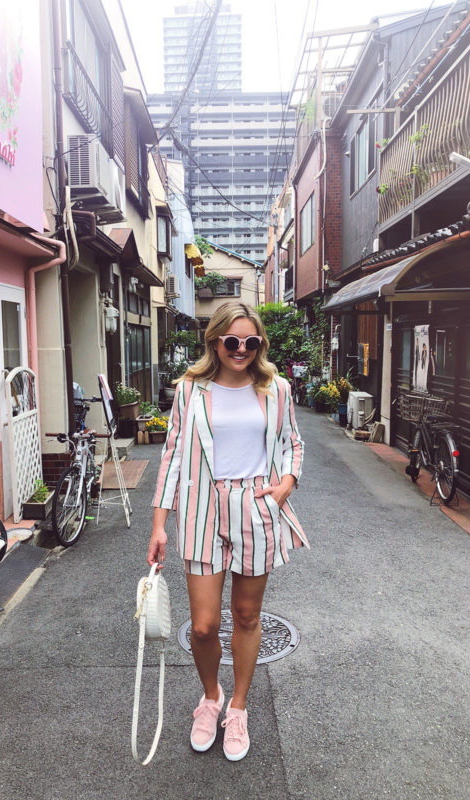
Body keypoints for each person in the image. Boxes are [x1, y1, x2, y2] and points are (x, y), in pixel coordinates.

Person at [147, 301, 308, 762]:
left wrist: (285, 485)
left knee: (246, 616)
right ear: (214, 341)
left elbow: (294, 442)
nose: (241, 349)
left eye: (250, 342)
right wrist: (159, 525)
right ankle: (210, 697)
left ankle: (237, 707)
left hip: (256, 505)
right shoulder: (190, 391)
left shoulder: (277, 389)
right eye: (231, 341)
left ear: (260, 345)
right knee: (203, 626)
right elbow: (173, 458)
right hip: (201, 505)